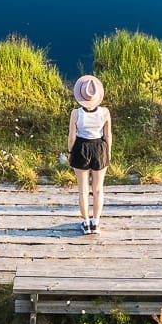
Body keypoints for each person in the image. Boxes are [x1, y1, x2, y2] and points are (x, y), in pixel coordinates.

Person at [67, 74, 112, 234]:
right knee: (98, 189)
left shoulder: (76, 113)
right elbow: (108, 135)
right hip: (99, 147)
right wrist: (109, 152)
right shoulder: (105, 112)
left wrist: (70, 151)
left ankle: (86, 223)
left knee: (83, 190)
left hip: (80, 148)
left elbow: (72, 136)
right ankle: (96, 222)